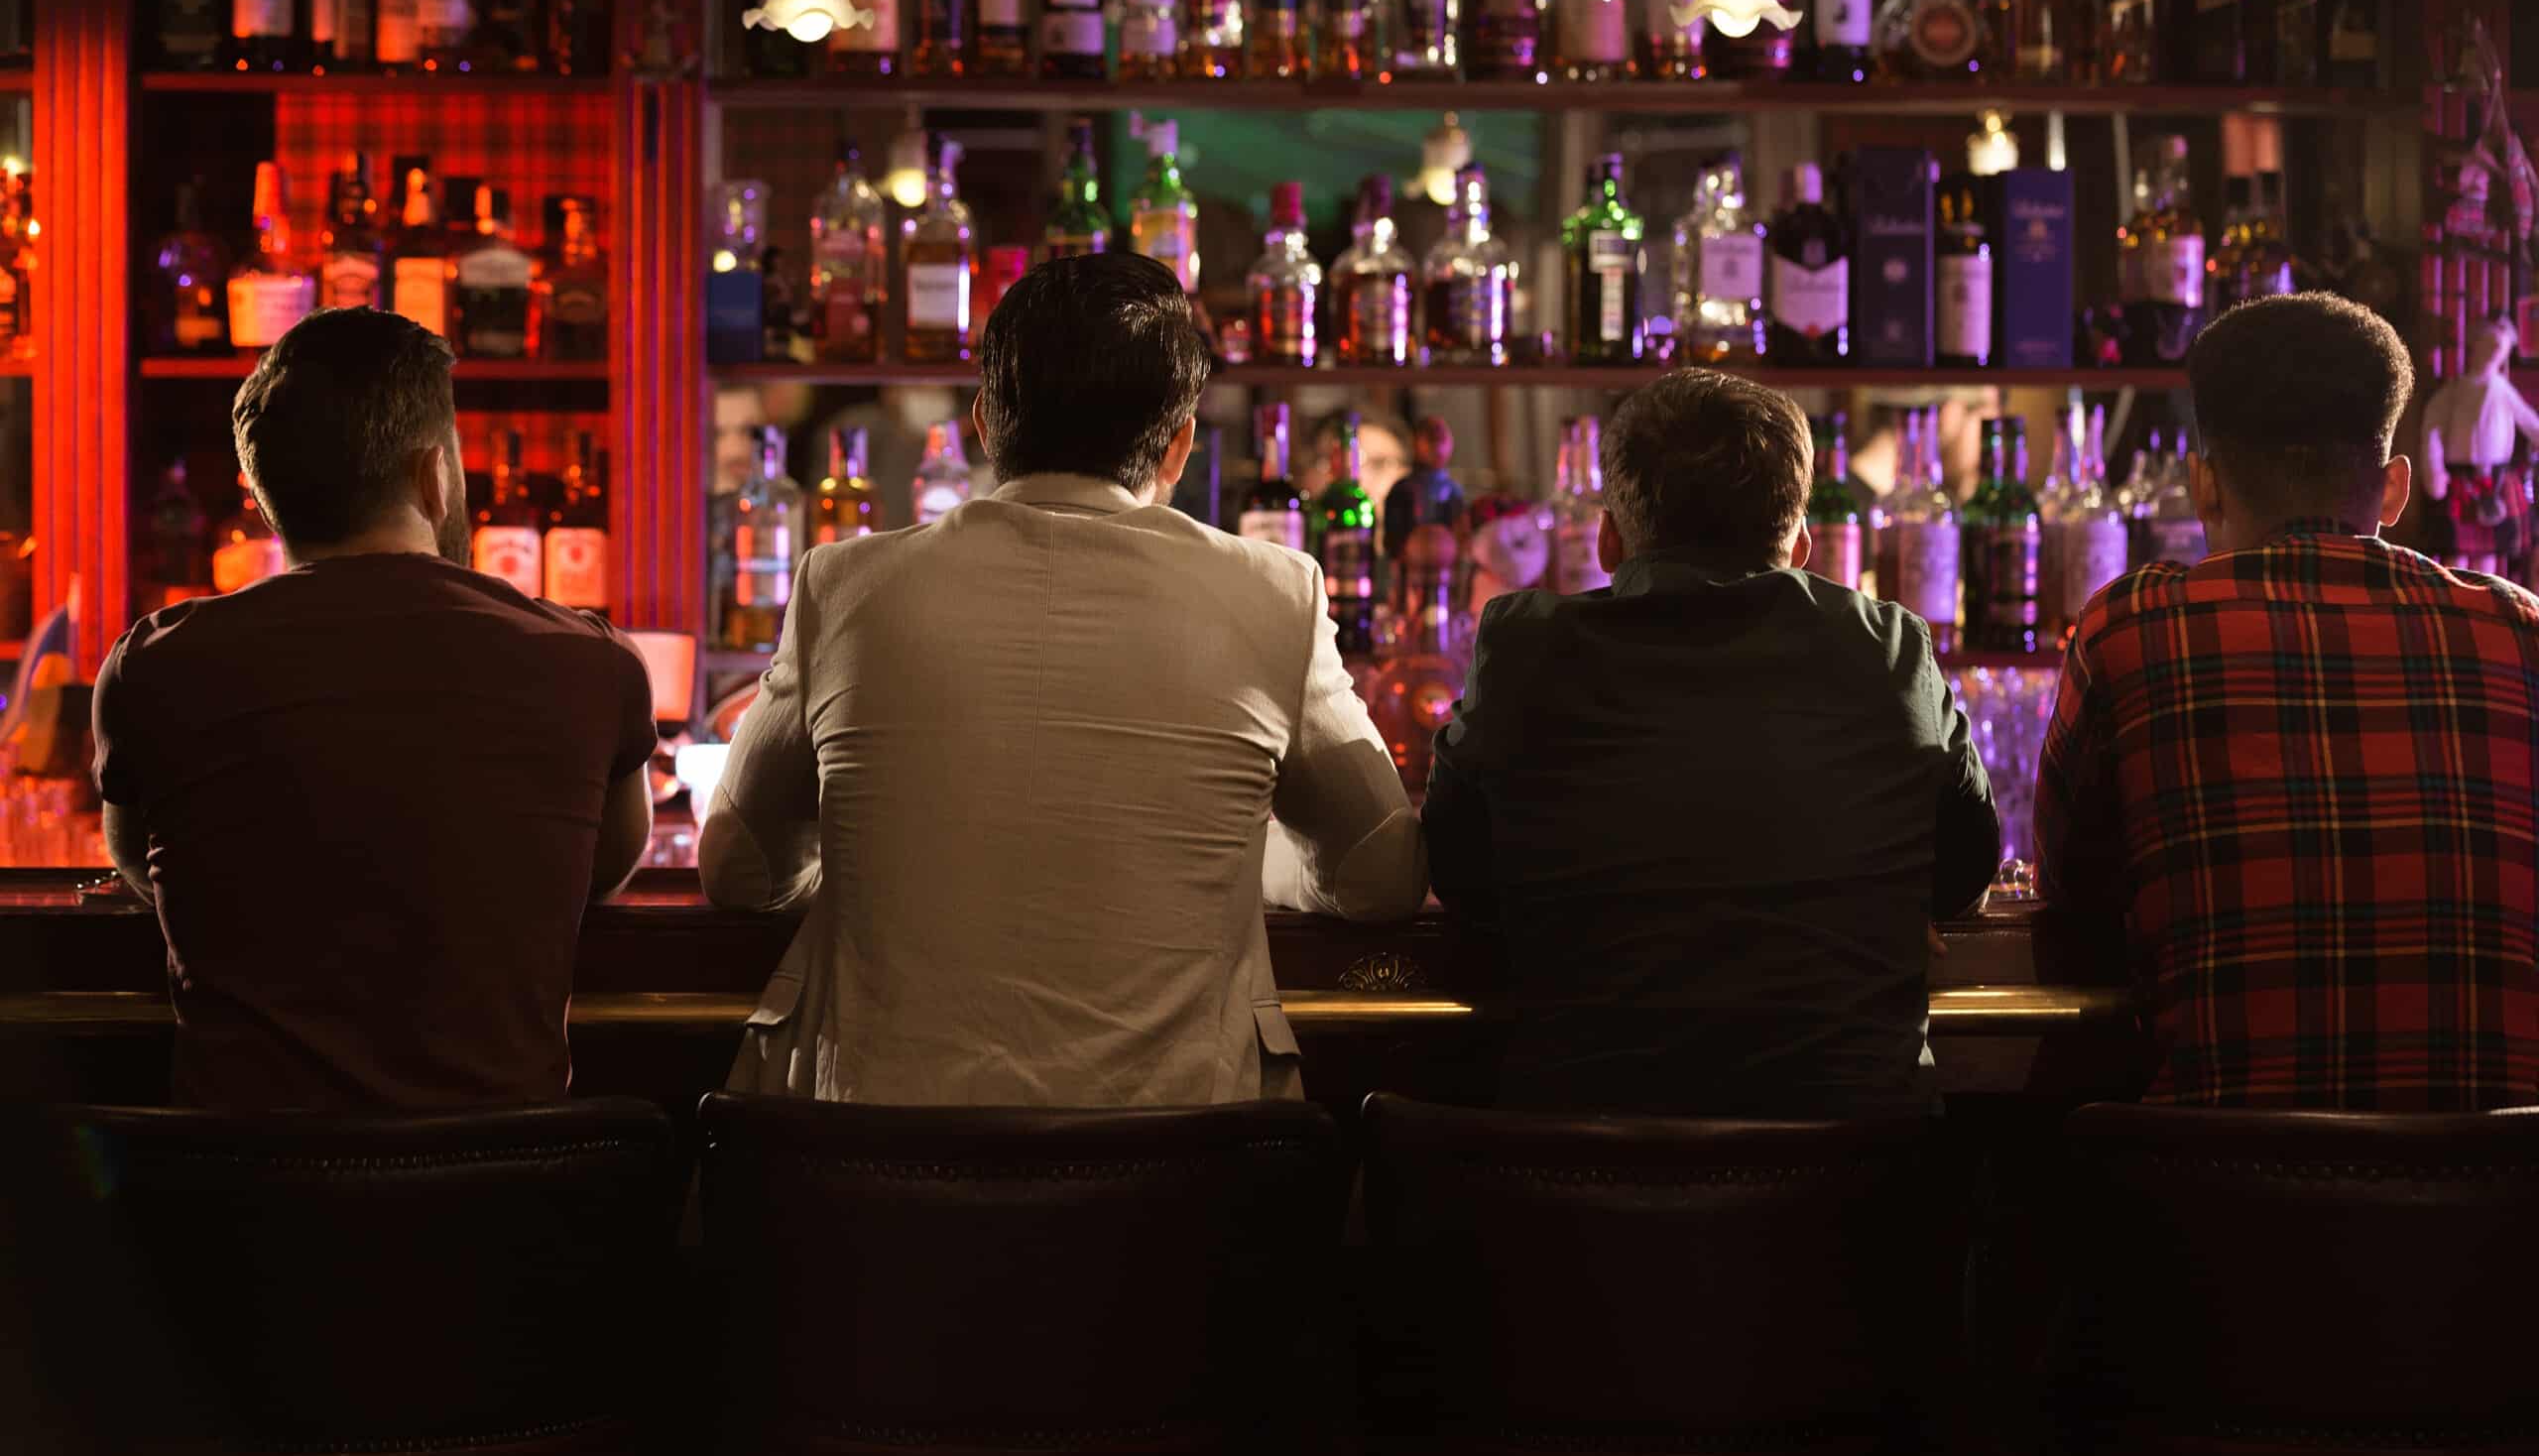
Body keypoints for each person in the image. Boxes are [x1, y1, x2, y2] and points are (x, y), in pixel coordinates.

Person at [702, 252, 1425, 1105]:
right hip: (1181, 1187)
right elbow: (1381, 873)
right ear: (1181, 442)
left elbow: (741, 869)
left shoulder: (844, 586)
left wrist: (864, 858)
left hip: (875, 1188)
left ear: (982, 423)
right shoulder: (1274, 592)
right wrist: (1258, 863)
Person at [90, 308, 656, 1110]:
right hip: (506, 1202)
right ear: (434, 475)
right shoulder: (594, 662)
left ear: (263, 498)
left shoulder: (153, 664)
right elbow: (600, 870)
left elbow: (143, 867)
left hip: (238, 1205)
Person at [1422, 368, 1999, 1117]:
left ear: (1606, 538)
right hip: (1856, 1200)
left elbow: (1459, 875)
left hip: (1579, 1190)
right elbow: (1965, 873)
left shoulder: (1522, 650)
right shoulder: (1888, 650)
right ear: (1801, 543)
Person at [2036, 292, 2539, 1109]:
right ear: (2394, 491)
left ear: (2205, 486)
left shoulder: (2130, 627)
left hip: (2212, 1201)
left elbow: (2071, 895)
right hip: (2497, 1211)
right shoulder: (2520, 631)